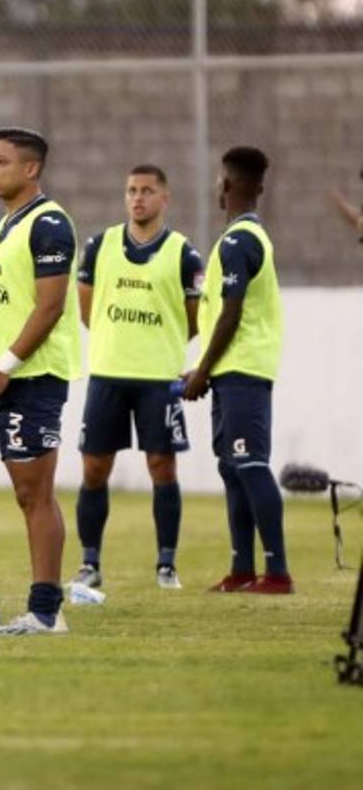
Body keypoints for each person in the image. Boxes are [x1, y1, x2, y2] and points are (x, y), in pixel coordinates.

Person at [71, 165, 203, 593]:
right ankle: (89, 562)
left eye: (147, 191)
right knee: (94, 468)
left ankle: (166, 564)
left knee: (162, 466)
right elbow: (86, 309)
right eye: (131, 190)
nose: (137, 198)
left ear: (165, 198)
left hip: (157, 378)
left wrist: (157, 342)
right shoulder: (99, 246)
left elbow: (194, 319)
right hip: (108, 373)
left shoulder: (184, 254)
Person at [0, 127, 80, 636]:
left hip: (33, 376)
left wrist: (4, 367)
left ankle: (45, 611)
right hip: (10, 377)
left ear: (31, 168)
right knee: (26, 492)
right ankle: (42, 607)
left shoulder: (49, 224)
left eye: (1, 161)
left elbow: (51, 306)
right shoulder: (6, 225)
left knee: (35, 493)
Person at [183, 146, 292, 594]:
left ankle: (278, 572)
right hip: (234, 370)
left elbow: (230, 313)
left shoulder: (237, 241)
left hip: (241, 367)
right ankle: (242, 569)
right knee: (232, 467)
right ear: (260, 188)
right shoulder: (247, 236)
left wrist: (201, 371)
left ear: (225, 185)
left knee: (249, 464)